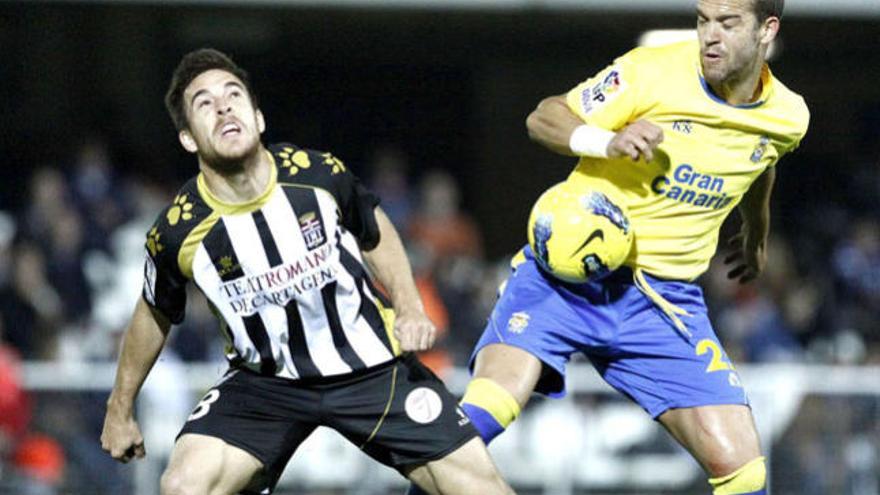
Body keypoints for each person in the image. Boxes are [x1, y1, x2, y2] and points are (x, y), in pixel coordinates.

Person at [408, 1, 808, 494]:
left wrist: (756, 230)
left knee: (745, 473)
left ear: (767, 30)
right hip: (565, 281)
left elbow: (759, 160)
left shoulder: (788, 116)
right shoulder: (651, 71)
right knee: (475, 423)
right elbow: (543, 117)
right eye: (703, 19)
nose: (710, 35)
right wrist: (605, 140)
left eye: (728, 23)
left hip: (663, 302)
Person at [99, 48, 514, 495]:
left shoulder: (317, 175)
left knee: (480, 487)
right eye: (204, 103)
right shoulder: (178, 230)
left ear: (257, 118)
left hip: (370, 366)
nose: (222, 107)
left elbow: (374, 232)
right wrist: (119, 409)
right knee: (183, 486)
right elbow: (153, 312)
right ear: (188, 139)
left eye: (233, 95)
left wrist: (410, 307)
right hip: (264, 386)